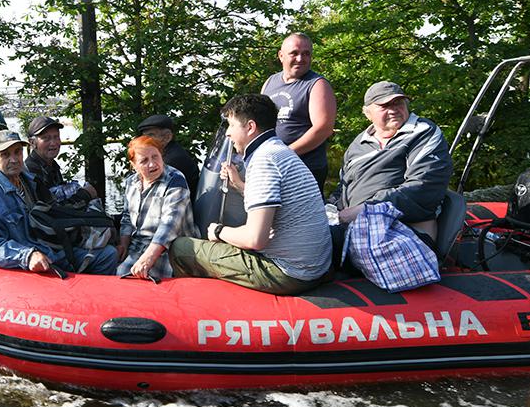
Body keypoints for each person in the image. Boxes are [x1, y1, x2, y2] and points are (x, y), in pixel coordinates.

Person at [168, 94, 333, 295]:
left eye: (231, 125)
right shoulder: (280, 152)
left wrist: (218, 231)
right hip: (316, 267)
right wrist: (238, 184)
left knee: (182, 248)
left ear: (250, 127)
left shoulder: (264, 161)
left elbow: (255, 239)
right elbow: (275, 202)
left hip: (289, 273)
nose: (228, 133)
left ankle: (198, 306)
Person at [0, 130, 118, 275]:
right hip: (28, 263)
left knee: (109, 254)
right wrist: (27, 256)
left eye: (18, 152)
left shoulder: (28, 180)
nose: (14, 159)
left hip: (51, 248)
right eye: (5, 155)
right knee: (106, 256)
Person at [328, 80, 452, 247]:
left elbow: (423, 187)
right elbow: (342, 188)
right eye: (384, 106)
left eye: (398, 103)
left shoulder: (423, 132)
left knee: (316, 247)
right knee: (301, 233)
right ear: (367, 113)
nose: (393, 110)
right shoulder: (358, 144)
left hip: (402, 232)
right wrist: (331, 210)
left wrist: (364, 210)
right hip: (353, 226)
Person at [261, 32, 337, 192]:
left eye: (306, 54)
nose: (300, 59)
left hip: (303, 168)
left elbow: (323, 129)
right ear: (281, 56)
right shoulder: (270, 82)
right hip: (271, 165)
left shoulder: (317, 85)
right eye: (294, 53)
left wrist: (286, 153)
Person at [117, 136, 200, 280]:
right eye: (144, 160)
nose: (152, 164)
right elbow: (126, 216)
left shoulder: (175, 179)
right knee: (108, 269)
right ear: (134, 165)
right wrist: (123, 244)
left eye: (155, 157)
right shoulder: (131, 182)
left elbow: (170, 225)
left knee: (125, 277)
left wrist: (147, 258)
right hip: (138, 245)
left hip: (170, 249)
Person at [24, 116, 97, 208]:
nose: (53, 143)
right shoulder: (31, 173)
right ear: (32, 143)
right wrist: (85, 194)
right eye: (46, 138)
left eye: (56, 137)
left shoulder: (52, 165)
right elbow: (52, 211)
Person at [136, 114, 200, 198]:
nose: (145, 141)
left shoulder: (172, 160)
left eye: (150, 136)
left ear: (167, 137)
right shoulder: (166, 153)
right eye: (144, 137)